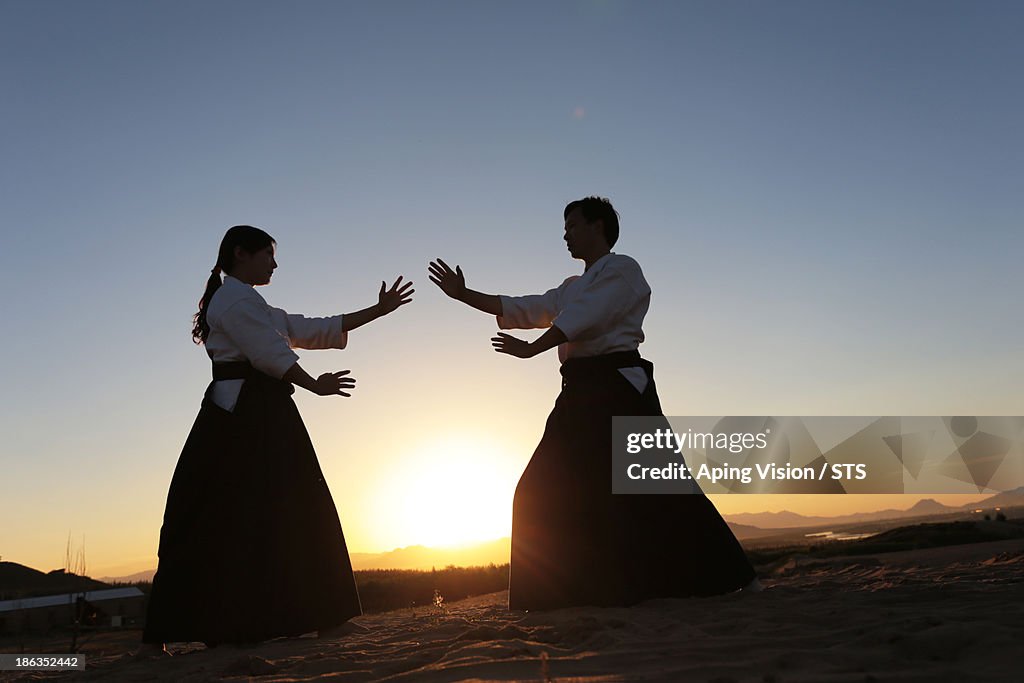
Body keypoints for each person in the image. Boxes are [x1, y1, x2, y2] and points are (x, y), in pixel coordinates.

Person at [428, 197, 760, 610]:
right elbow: (524, 306)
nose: (565, 234)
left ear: (598, 226)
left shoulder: (623, 270)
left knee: (662, 487)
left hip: (620, 388)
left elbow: (590, 315)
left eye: (572, 225)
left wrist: (534, 350)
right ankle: (550, 598)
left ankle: (732, 578)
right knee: (540, 487)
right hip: (579, 392)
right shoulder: (570, 287)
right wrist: (463, 295)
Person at [138, 225, 413, 656]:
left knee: (268, 510)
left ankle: (320, 619)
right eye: (268, 254)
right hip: (243, 415)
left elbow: (308, 328)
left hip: (257, 411)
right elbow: (268, 351)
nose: (275, 263)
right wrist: (312, 384)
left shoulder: (251, 301)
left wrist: (376, 311)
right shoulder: (233, 298)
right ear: (240, 253)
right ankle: (165, 636)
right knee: (239, 511)